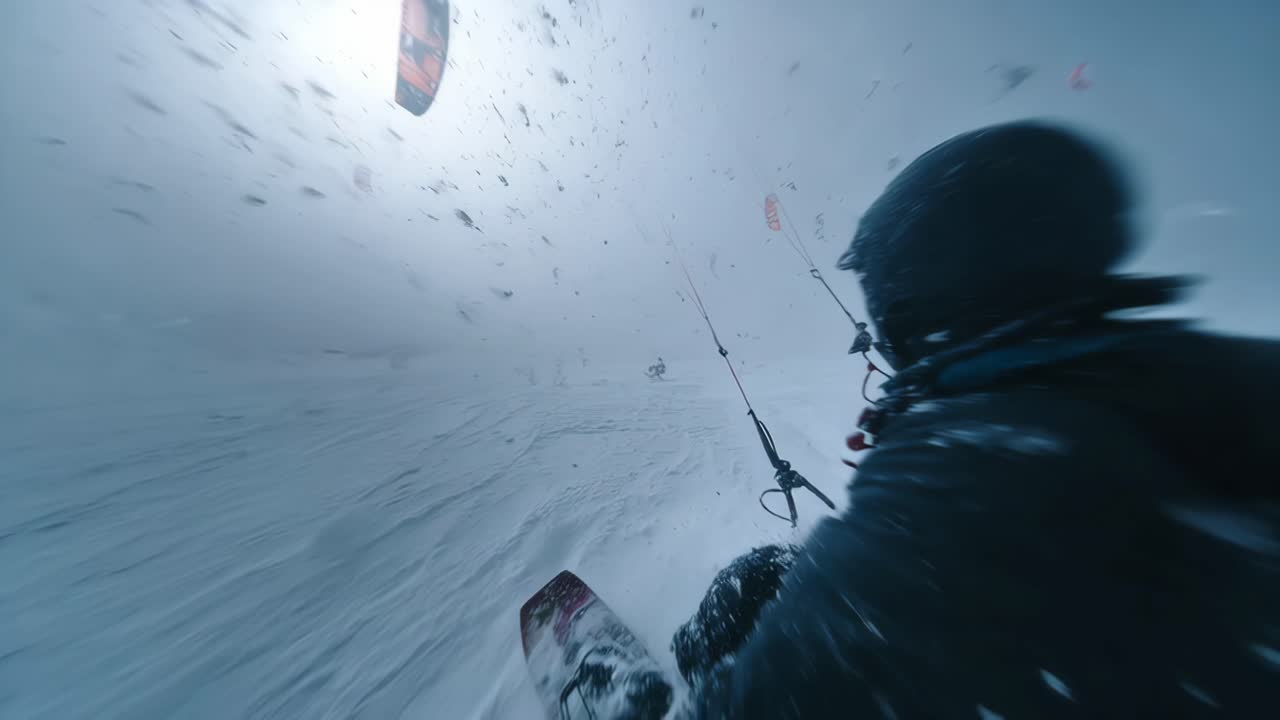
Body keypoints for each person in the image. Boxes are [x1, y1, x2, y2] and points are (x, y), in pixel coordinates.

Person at [673, 120, 1280, 718]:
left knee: (747, 587)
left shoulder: (968, 465)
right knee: (769, 575)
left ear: (918, 292)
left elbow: (764, 704)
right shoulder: (1172, 374)